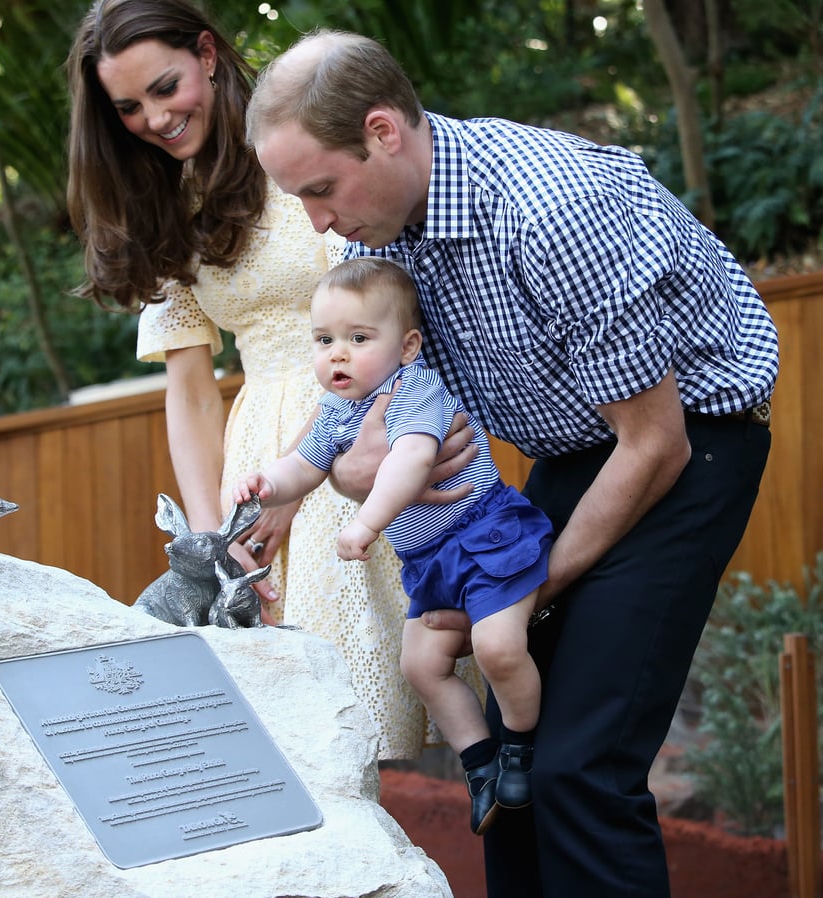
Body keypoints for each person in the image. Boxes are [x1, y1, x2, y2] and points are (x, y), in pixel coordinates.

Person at [246, 29, 779, 898]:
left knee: (581, 765)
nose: (318, 223)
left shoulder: (549, 207)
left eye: (320, 189)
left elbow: (655, 442)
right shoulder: (370, 244)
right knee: (514, 772)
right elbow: (354, 432)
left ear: (383, 132)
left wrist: (526, 588)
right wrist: (298, 495)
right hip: (568, 454)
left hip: (687, 442)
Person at [63, 1, 487, 761]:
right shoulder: (163, 205)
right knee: (276, 728)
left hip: (359, 424)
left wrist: (302, 482)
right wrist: (211, 536)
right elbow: (189, 387)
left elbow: (371, 326)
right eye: (128, 107)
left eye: (165, 87)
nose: (154, 118)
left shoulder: (298, 153)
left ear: (208, 54)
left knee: (368, 709)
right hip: (254, 454)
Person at [234, 256, 554, 834]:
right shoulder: (339, 408)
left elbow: (408, 461)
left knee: (498, 647)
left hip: (481, 536)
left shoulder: (417, 388)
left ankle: (519, 750)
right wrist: (267, 484)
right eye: (324, 339)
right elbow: (304, 465)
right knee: (420, 664)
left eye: (358, 339)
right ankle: (479, 764)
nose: (337, 353)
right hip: (430, 559)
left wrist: (366, 524)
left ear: (406, 347)